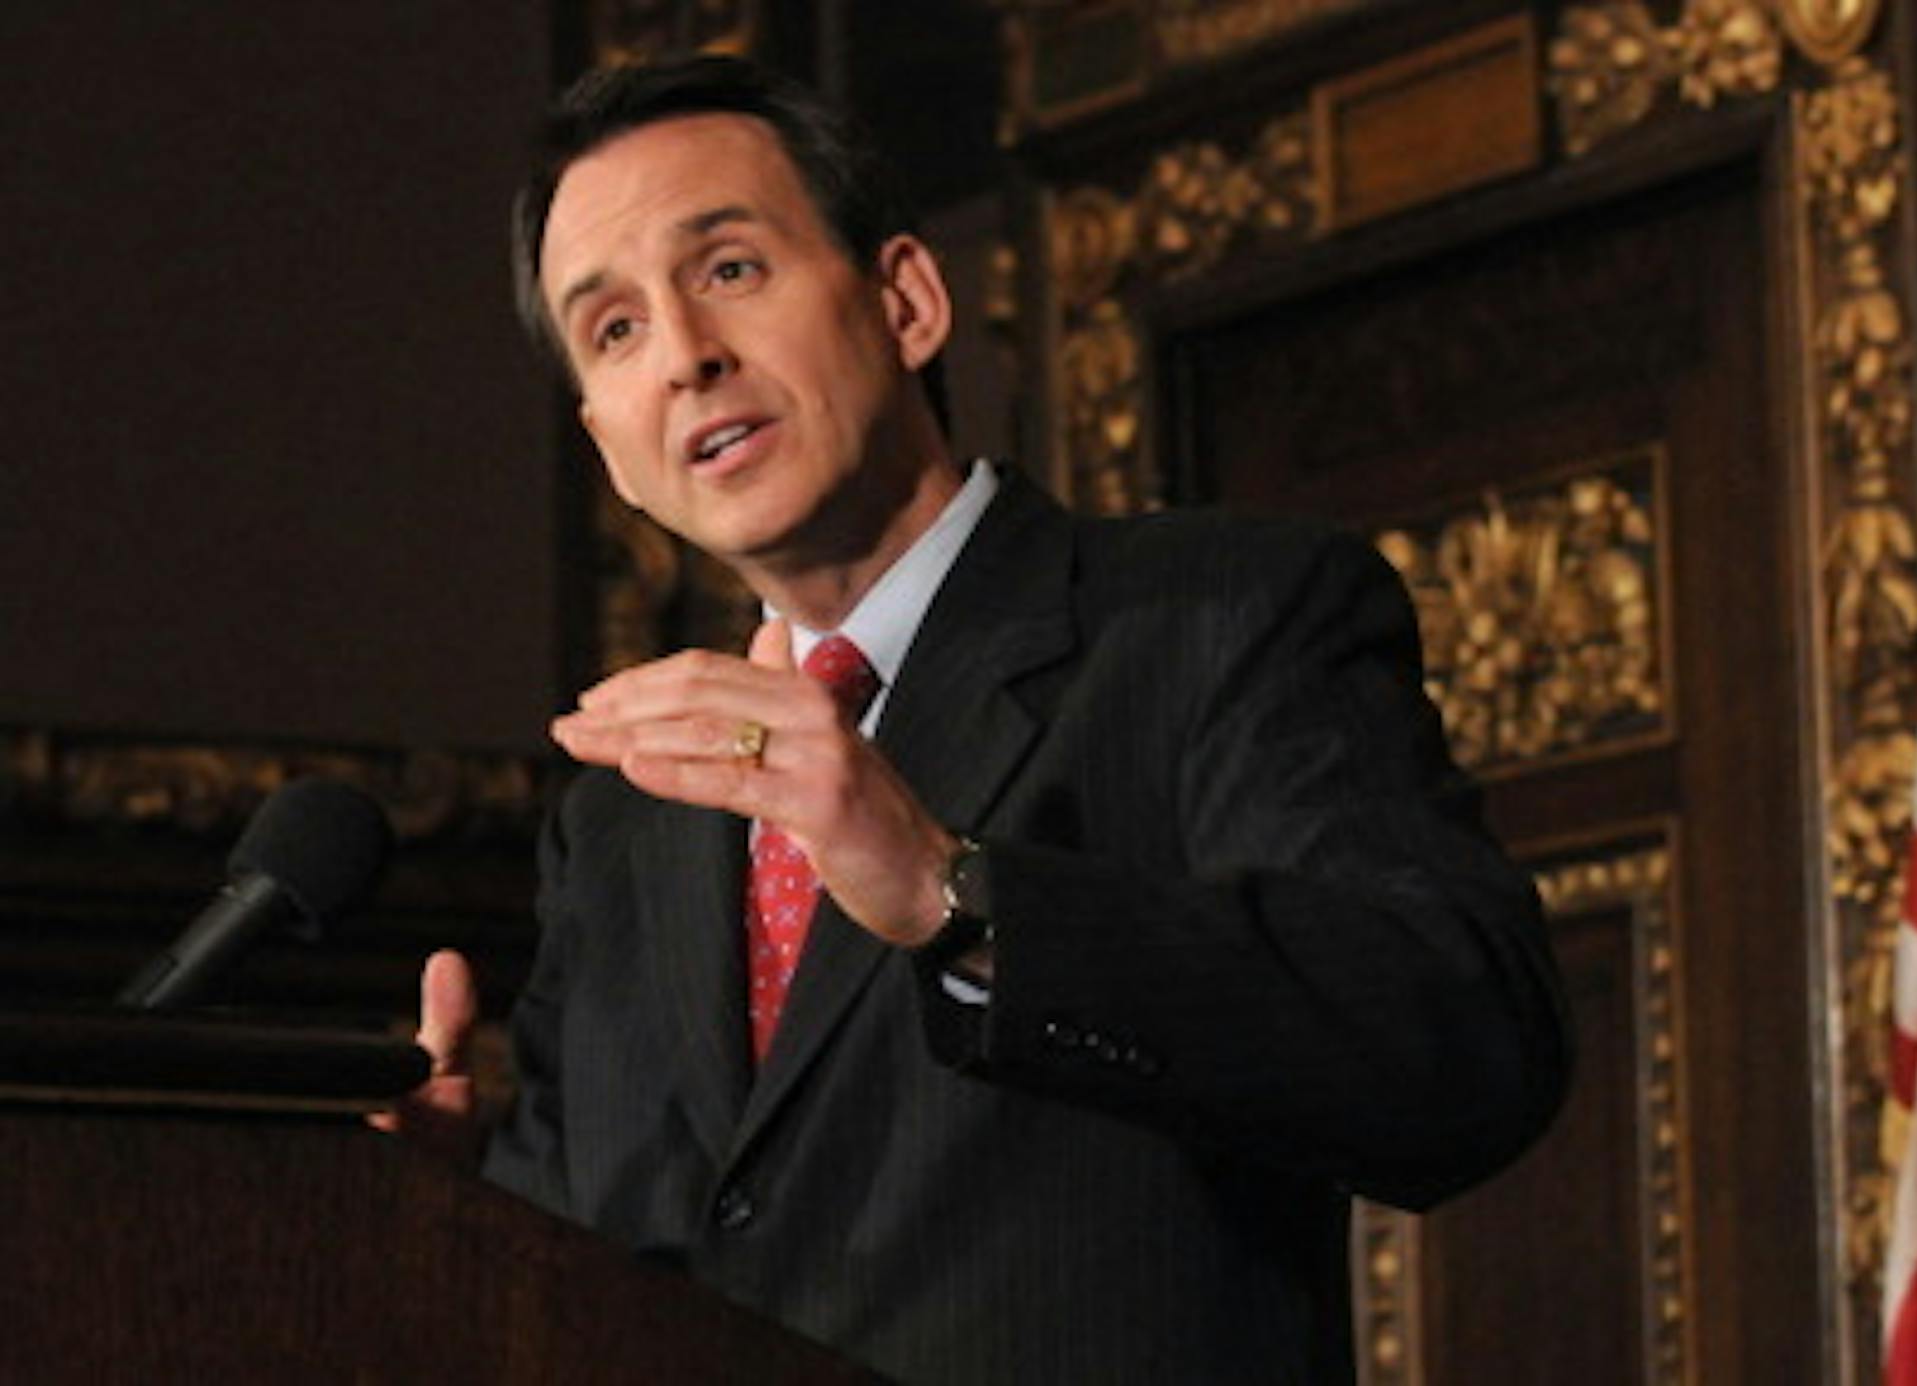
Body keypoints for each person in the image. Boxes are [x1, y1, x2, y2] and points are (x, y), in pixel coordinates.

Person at [384, 53, 1571, 1385]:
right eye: (613, 331)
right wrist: (443, 1214)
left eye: (729, 268)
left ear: (906, 301)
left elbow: (1466, 1052)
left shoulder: (1217, 618)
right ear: (608, 447)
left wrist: (956, 897)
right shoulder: (625, 819)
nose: (685, 356)